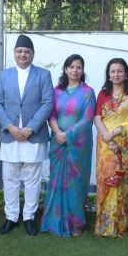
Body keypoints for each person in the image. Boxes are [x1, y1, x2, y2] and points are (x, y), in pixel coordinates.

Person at [0, 34, 54, 236]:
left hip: (32, 135)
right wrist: (10, 127)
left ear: (32, 54)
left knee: (32, 178)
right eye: (19, 51)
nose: (23, 54)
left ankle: (29, 217)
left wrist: (30, 128)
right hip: (11, 135)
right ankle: (11, 217)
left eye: (27, 51)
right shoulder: (4, 75)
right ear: (14, 53)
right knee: (10, 178)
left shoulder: (43, 75)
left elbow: (48, 103)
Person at [41, 54, 96, 237]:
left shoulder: (88, 92)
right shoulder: (56, 91)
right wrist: (58, 133)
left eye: (78, 67)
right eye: (71, 67)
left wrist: (68, 135)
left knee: (75, 184)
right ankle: (53, 220)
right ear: (65, 69)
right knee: (55, 181)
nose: (75, 70)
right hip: (57, 143)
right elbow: (51, 114)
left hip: (78, 146)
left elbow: (87, 119)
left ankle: (75, 223)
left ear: (82, 70)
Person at [94, 58, 128, 238]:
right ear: (108, 74)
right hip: (105, 146)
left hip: (124, 146)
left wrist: (113, 134)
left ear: (126, 73)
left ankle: (120, 227)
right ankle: (104, 227)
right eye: (112, 71)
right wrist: (107, 137)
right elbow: (97, 117)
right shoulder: (103, 94)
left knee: (121, 184)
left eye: (119, 71)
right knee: (106, 182)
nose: (116, 74)